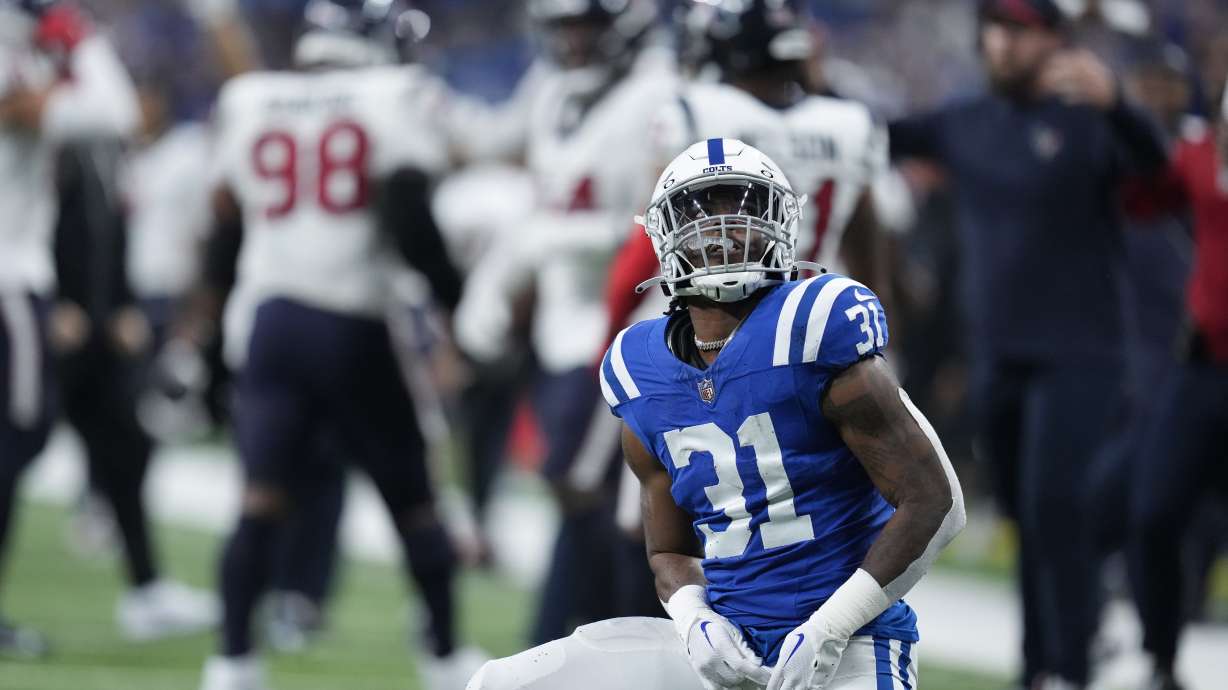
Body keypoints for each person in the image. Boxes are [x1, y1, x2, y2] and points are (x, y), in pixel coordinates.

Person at [468, 138, 965, 690]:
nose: (723, 228)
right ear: (663, 235)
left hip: (849, 647)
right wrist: (694, 618)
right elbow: (668, 550)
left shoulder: (817, 325)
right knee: (500, 683)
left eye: (742, 208)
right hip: (726, 646)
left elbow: (937, 503)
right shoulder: (639, 367)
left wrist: (829, 626)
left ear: (781, 222)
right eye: (699, 213)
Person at [188, 1, 484, 687]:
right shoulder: (391, 95)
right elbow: (410, 213)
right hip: (352, 317)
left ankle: (232, 658)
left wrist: (206, 344)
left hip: (269, 321)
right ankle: (442, 654)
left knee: (260, 496)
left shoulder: (253, 97)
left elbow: (226, 230)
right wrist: (456, 302)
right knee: (414, 498)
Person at [887, 1, 1168, 687]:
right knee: (1024, 514)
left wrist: (1121, 105)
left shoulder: (1089, 119)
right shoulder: (967, 123)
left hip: (1082, 351)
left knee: (1054, 502)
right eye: (994, 26)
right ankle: (1038, 661)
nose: (1001, 42)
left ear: (1052, 39)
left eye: (1017, 28)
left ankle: (1068, 662)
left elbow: (1157, 173)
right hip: (997, 353)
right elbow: (876, 133)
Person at [453, 0, 677, 644]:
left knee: (603, 495)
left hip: (624, 322)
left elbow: (659, 221)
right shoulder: (550, 88)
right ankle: (589, 638)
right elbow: (493, 143)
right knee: (584, 495)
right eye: (564, 27)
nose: (573, 42)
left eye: (586, 25)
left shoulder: (661, 93)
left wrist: (546, 240)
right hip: (559, 325)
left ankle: (609, 636)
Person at [0, 0, 141, 657]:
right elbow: (110, 111)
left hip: (19, 270)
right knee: (19, 433)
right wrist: (74, 44)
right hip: (7, 273)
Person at [1124, 75, 1228, 690]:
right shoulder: (1198, 154)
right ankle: (1162, 659)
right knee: (1154, 513)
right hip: (1201, 368)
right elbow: (1143, 196)